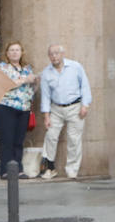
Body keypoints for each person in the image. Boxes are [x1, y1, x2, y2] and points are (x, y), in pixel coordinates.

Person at [38, 44, 92, 180]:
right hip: (56, 108)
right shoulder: (46, 73)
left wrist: (85, 105)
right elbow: (45, 96)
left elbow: (85, 86)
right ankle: (49, 167)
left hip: (75, 106)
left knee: (74, 139)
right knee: (50, 136)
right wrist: (46, 116)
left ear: (63, 54)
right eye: (51, 54)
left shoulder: (75, 67)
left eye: (56, 53)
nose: (54, 56)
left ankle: (72, 170)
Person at [0, 42, 38, 179]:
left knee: (19, 140)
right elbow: (5, 85)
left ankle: (18, 169)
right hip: (6, 106)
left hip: (23, 108)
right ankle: (5, 170)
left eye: (17, 50)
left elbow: (31, 90)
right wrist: (25, 80)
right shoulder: (2, 68)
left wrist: (35, 83)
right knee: (7, 139)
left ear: (21, 52)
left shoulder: (27, 68)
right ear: (7, 53)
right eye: (11, 50)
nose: (14, 52)